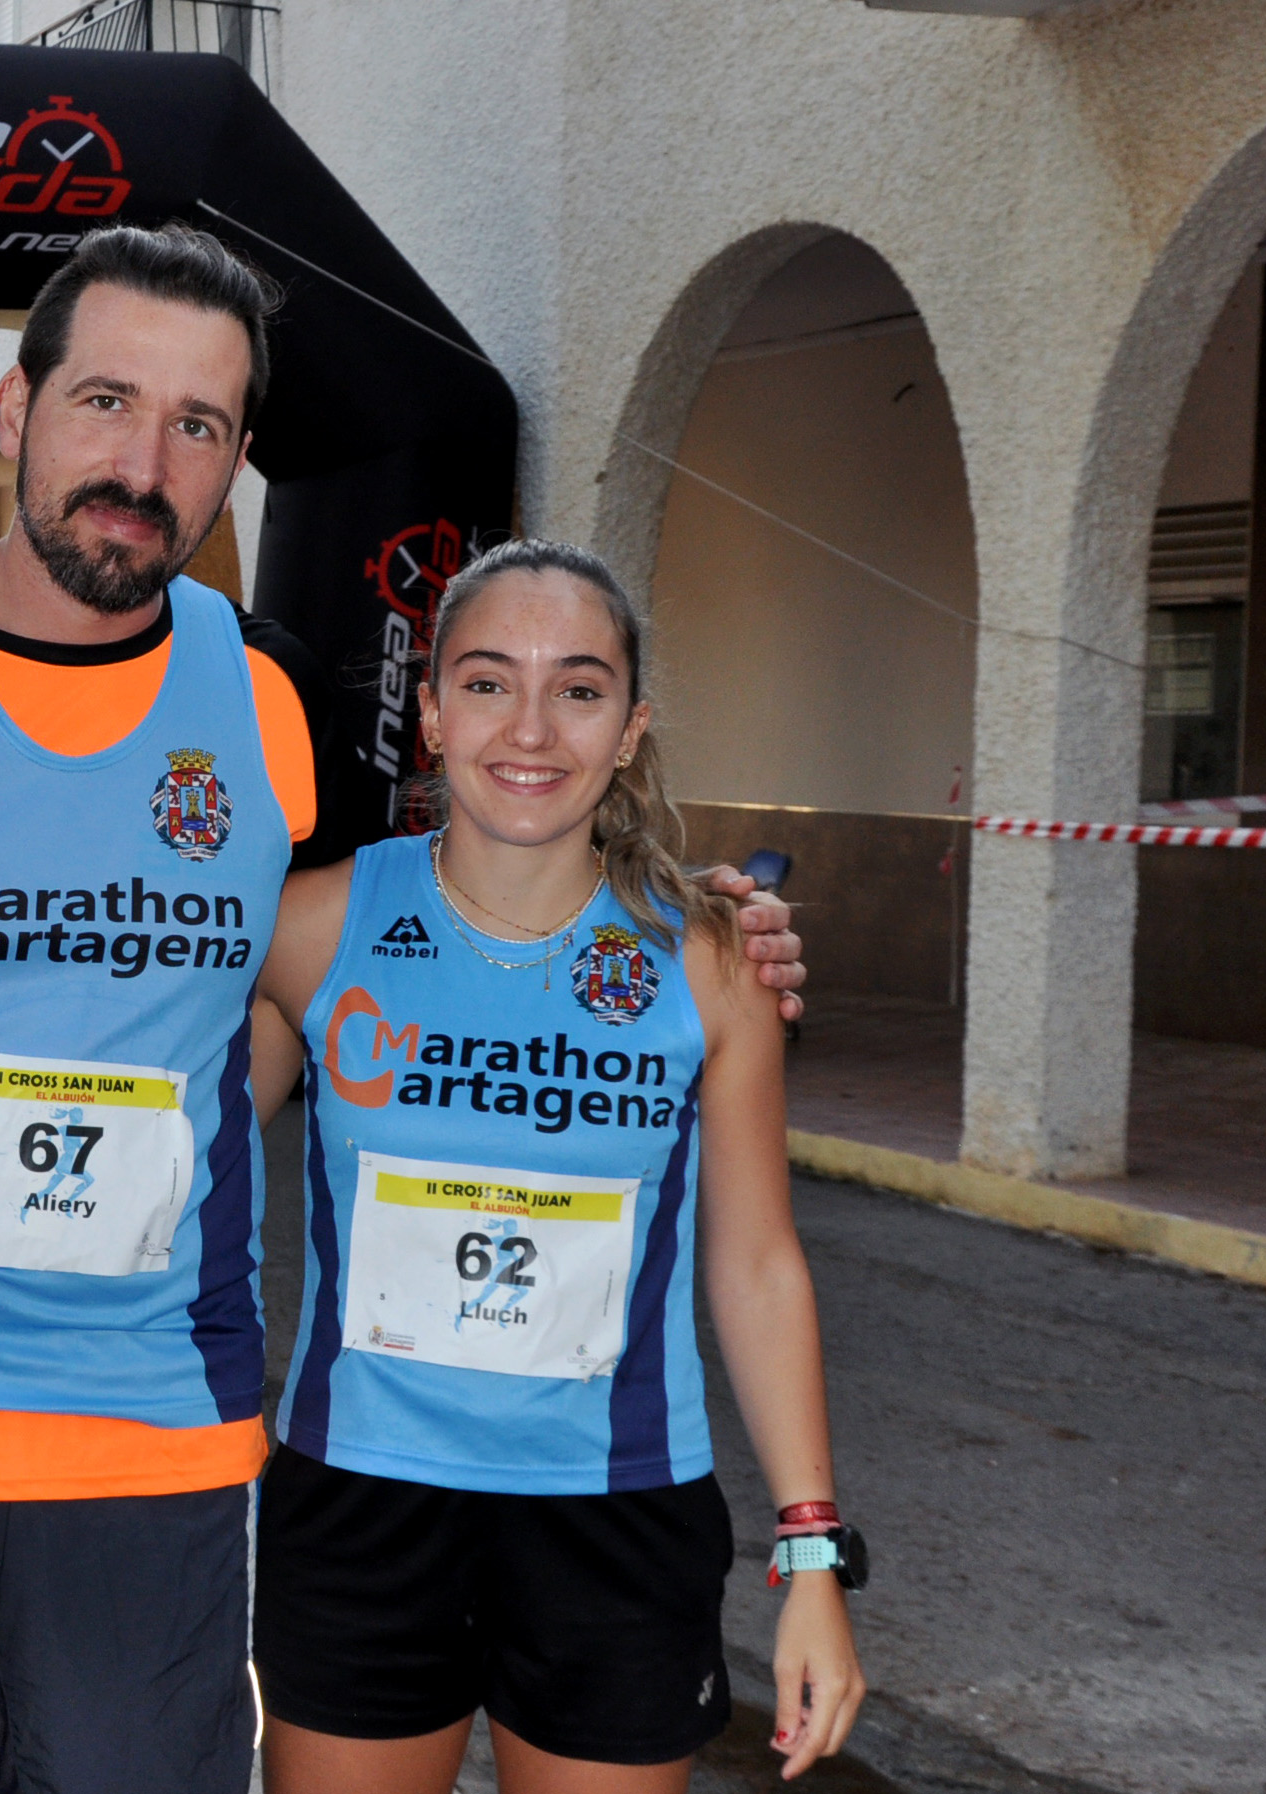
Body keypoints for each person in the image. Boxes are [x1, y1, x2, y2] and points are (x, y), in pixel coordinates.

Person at [0, 227, 810, 1792]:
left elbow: (431, 918)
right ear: (17, 406)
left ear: (238, 460)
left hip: (158, 1451)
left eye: (198, 424)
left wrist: (682, 921)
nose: (143, 463)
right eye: (106, 400)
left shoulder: (270, 695)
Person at [250, 539, 864, 1793]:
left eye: (578, 689)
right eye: (487, 683)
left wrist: (812, 1553)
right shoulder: (307, 928)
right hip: (359, 1510)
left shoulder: (709, 960)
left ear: (629, 728)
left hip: (616, 1520)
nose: (530, 728)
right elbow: (169, 1166)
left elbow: (756, 1265)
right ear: (431, 712)